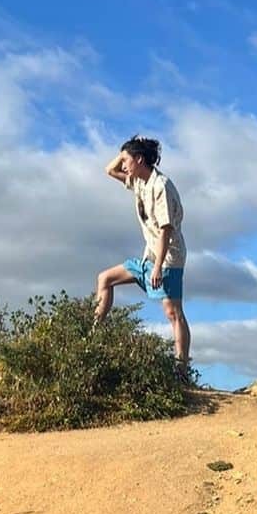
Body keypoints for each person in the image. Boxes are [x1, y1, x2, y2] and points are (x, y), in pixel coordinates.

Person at [94, 135, 191, 373]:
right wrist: (128, 147)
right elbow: (109, 170)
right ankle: (93, 335)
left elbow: (166, 230)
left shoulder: (161, 186)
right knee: (105, 279)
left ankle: (182, 369)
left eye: (127, 160)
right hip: (148, 256)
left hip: (168, 258)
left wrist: (158, 267)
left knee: (173, 313)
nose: (123, 165)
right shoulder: (138, 181)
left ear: (139, 160)